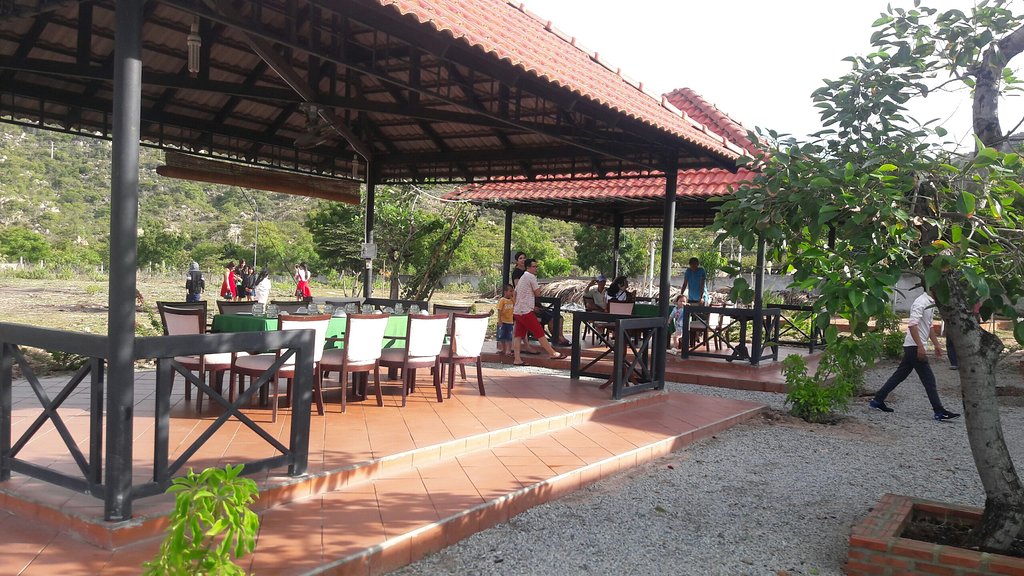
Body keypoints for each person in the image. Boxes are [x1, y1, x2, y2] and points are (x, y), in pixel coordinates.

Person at [869, 290, 961, 421]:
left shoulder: (929, 303)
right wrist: (920, 346)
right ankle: (939, 411)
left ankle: (878, 400)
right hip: (914, 347)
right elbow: (912, 325)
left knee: (899, 375)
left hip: (913, 346)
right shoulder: (921, 302)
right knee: (929, 380)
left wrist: (936, 344)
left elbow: (929, 326)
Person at [512, 259, 566, 365]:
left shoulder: (523, 277)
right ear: (528, 267)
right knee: (539, 332)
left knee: (518, 335)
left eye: (536, 266)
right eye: (534, 266)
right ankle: (552, 353)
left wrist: (517, 303)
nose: (536, 268)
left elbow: (515, 293)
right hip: (526, 311)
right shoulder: (531, 277)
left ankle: (517, 359)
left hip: (518, 311)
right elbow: (538, 294)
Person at [496, 283, 515, 356]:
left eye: (512, 291)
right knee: (502, 336)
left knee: (509, 337)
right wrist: (499, 320)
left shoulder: (512, 300)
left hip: (510, 322)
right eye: (510, 291)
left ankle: (508, 350)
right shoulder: (502, 300)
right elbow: (499, 310)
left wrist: (513, 298)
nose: (511, 293)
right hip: (503, 321)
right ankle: (503, 349)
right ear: (505, 292)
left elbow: (515, 304)